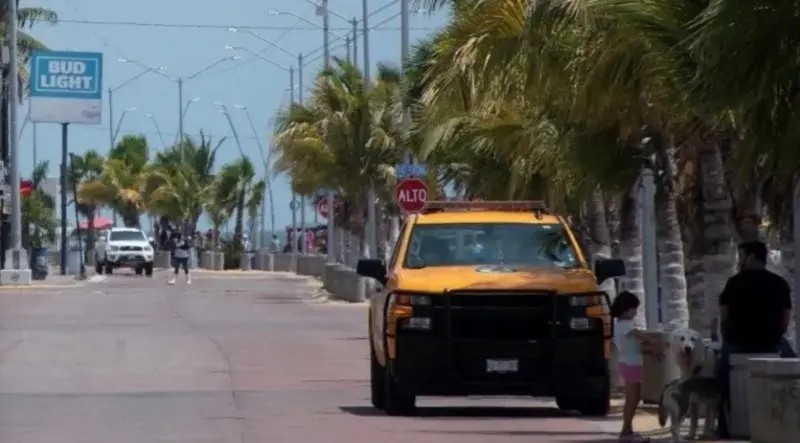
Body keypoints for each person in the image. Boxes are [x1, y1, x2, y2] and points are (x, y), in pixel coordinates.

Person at [716, 240, 792, 437]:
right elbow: (785, 320)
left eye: (741, 256)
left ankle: (724, 427)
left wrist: (728, 339)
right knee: (794, 371)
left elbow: (724, 317)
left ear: (750, 257)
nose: (739, 260)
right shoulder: (780, 284)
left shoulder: (733, 284)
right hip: (772, 344)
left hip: (738, 345)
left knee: (720, 383)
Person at [611, 291, 663, 443]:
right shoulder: (625, 325)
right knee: (632, 400)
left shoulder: (622, 325)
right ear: (625, 309)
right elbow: (641, 337)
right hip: (631, 365)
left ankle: (628, 431)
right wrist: (659, 344)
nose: (635, 312)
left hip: (631, 364)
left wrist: (654, 351)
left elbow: (637, 347)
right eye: (634, 308)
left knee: (634, 399)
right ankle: (626, 432)